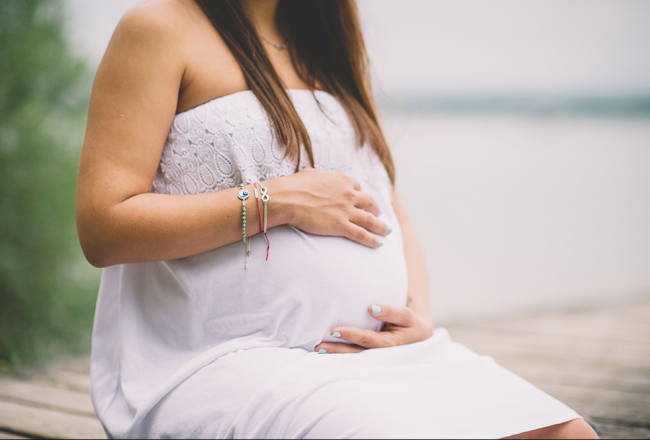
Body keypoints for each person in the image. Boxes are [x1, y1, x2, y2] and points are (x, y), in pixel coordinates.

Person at [76, 0, 598, 438]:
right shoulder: (159, 29)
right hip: (226, 360)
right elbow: (104, 227)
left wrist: (418, 313)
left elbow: (390, 210)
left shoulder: (321, 45)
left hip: (372, 360)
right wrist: (274, 201)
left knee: (568, 433)